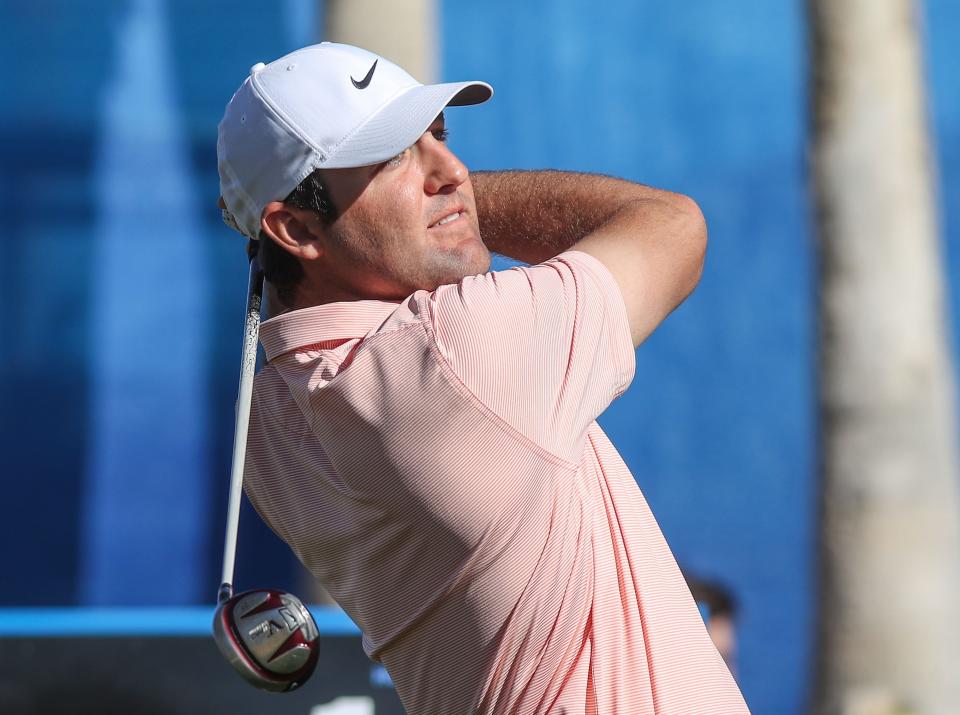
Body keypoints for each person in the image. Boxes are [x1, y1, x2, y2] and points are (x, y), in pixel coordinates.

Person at [217, 42, 750, 714]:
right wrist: (459, 211)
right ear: (295, 226)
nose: (453, 170)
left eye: (438, 137)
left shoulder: (267, 429)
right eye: (393, 158)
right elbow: (673, 226)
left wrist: (417, 210)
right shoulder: (454, 350)